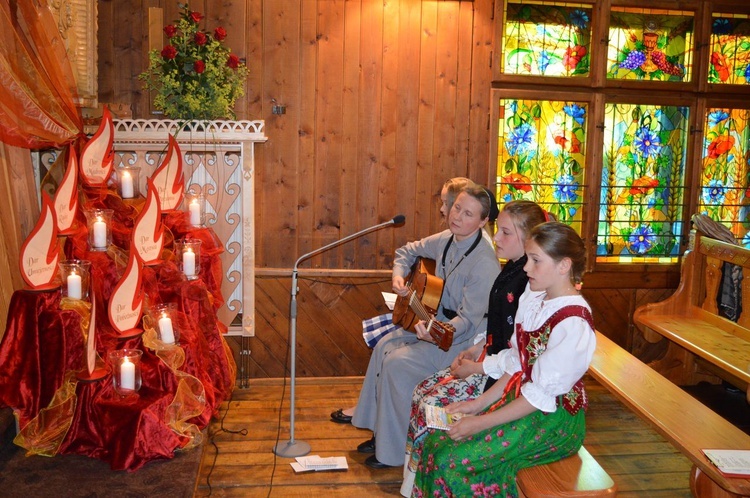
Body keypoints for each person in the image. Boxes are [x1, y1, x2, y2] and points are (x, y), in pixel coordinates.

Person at [410, 222, 595, 497]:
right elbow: (518, 364)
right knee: (436, 443)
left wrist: (481, 422)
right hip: (522, 400)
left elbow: (540, 396)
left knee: (451, 461)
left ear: (564, 265)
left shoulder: (573, 323)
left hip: (552, 421)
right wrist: (477, 405)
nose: (526, 268)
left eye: (535, 260)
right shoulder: (536, 299)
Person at [345, 185, 501, 469]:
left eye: (468, 214)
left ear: (482, 222)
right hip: (432, 322)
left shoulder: (485, 264)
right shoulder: (446, 239)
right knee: (383, 346)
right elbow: (405, 251)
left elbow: (466, 322)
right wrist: (398, 277)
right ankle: (380, 431)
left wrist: (435, 332)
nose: (457, 216)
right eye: (456, 208)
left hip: (458, 341)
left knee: (398, 364)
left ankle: (393, 452)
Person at [400, 200, 546, 494]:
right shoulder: (510, 271)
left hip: (508, 380)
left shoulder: (528, 283)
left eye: (506, 233)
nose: (497, 238)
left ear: (529, 239)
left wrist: (477, 367)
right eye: (497, 230)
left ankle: (432, 482)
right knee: (422, 393)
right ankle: (413, 484)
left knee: (432, 403)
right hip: (489, 361)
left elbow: (519, 354)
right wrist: (477, 347)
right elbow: (496, 327)